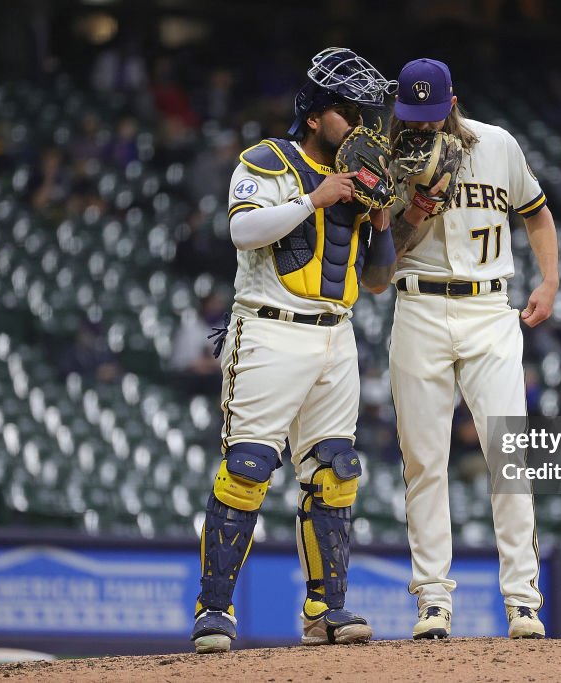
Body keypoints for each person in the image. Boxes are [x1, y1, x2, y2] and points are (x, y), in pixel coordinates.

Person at [191, 47, 397, 654]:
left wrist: (381, 220)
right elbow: (241, 230)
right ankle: (215, 610)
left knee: (335, 471)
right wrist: (317, 197)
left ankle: (325, 611)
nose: (362, 127)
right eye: (349, 114)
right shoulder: (268, 159)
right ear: (315, 115)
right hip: (269, 326)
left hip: (337, 333)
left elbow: (379, 280)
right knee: (248, 467)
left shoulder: (360, 177)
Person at [386, 58, 558, 640]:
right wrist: (414, 208)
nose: (424, 126)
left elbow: (537, 215)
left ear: (452, 101)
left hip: (489, 308)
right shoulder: (390, 154)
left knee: (509, 456)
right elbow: (380, 267)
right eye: (413, 116)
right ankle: (433, 599)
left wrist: (550, 280)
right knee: (424, 461)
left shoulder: (498, 144)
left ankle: (522, 600)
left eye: (432, 115)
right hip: (419, 306)